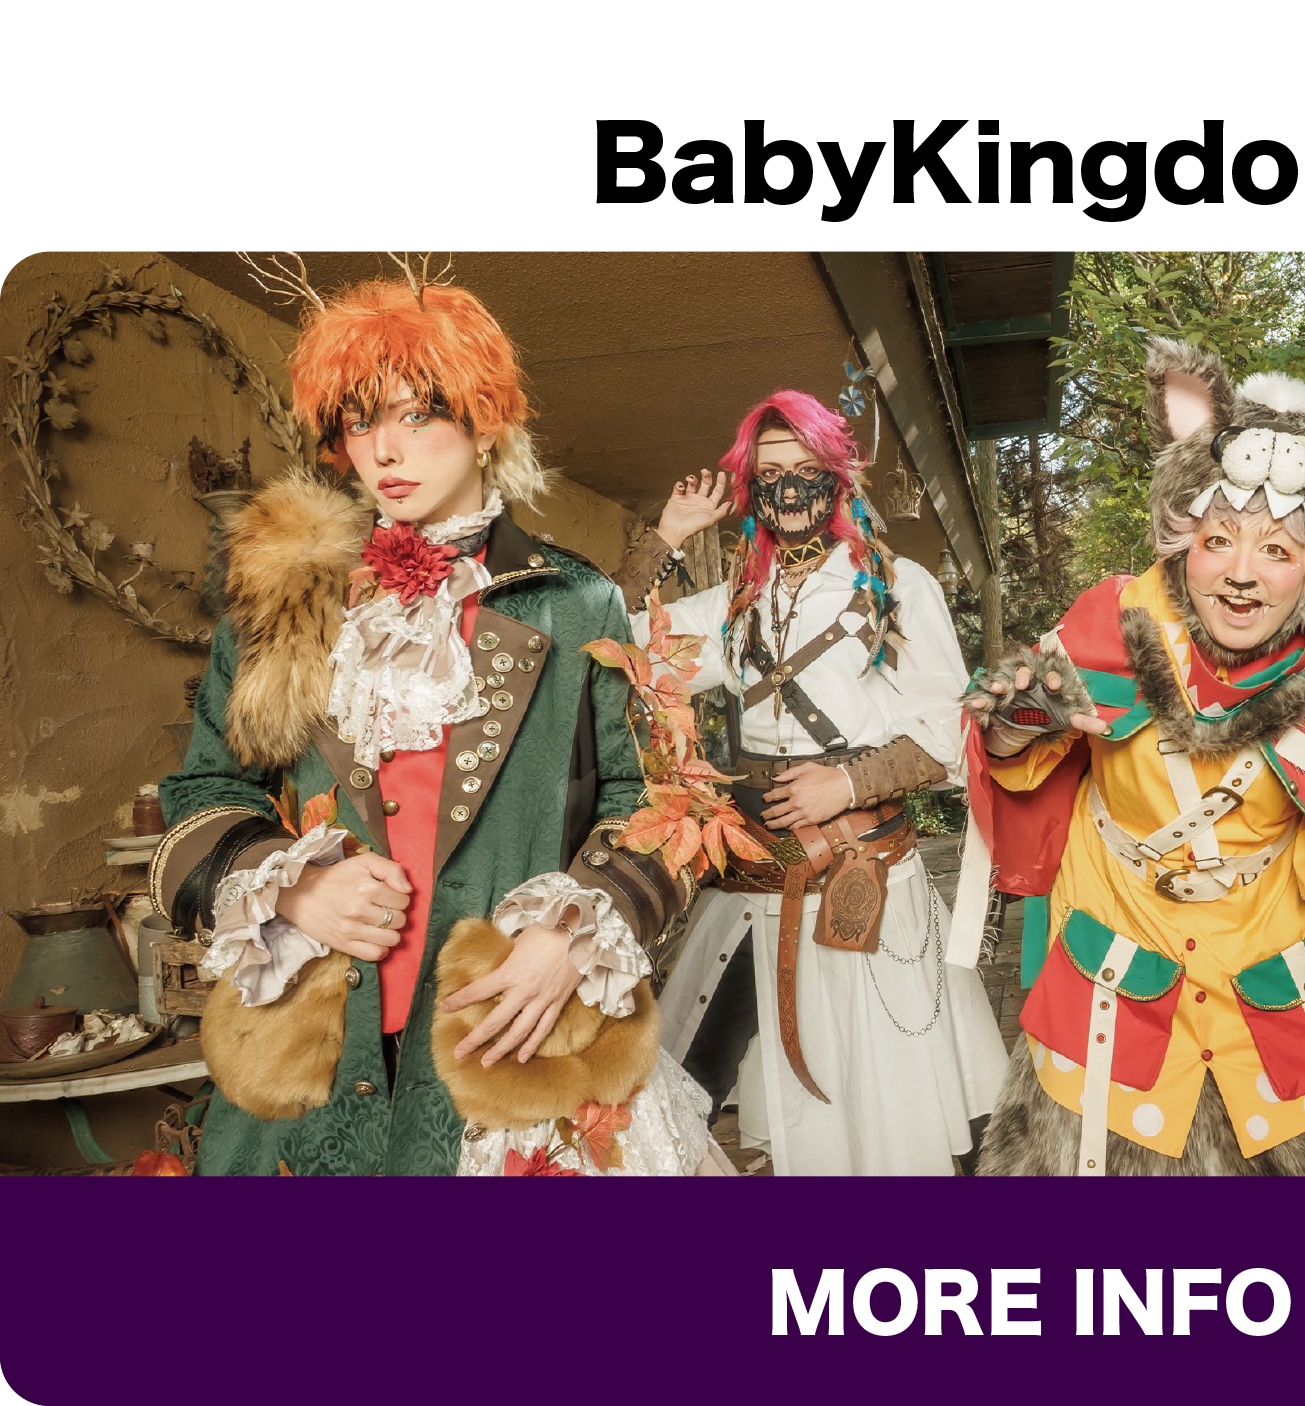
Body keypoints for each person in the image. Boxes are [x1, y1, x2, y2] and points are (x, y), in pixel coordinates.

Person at [156, 266, 727, 1175]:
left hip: (510, 1041)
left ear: (485, 419)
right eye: (360, 421)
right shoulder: (283, 601)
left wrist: (570, 936)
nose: (385, 448)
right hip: (312, 1051)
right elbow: (203, 790)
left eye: (417, 414)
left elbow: (659, 803)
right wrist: (294, 889)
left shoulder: (575, 602)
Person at [962, 338, 1305, 1175]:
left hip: (1288, 1004)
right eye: (1219, 539)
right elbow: (1018, 768)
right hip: (1120, 994)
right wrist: (1015, 725)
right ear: (1182, 536)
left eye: (1276, 550)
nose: (1240, 574)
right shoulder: (1105, 625)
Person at [629, 389, 1008, 1173]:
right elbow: (618, 644)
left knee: (884, 1106)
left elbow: (948, 732)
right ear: (751, 487)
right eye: (769, 473)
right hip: (756, 879)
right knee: (685, 1085)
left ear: (838, 473)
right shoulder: (736, 602)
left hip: (861, 877)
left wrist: (849, 782)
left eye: (805, 468)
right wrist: (665, 536)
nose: (789, 487)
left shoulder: (896, 588)